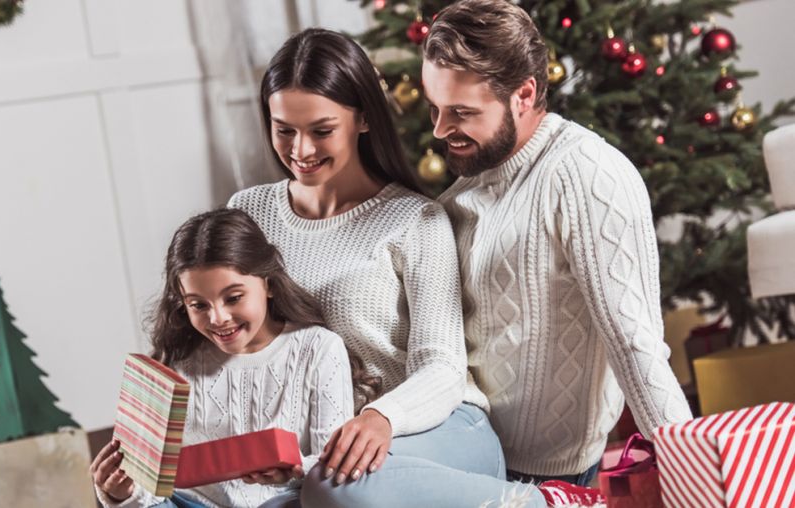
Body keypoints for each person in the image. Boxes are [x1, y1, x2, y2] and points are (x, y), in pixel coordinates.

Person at [229, 28, 560, 507]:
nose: (300, 150)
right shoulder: (247, 214)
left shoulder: (415, 221)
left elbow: (442, 367)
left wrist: (382, 416)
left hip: (438, 426)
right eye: (285, 129)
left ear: (362, 119)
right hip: (325, 451)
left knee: (334, 486)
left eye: (321, 130)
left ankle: (548, 504)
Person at [423, 0, 693, 491]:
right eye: (434, 109)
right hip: (467, 454)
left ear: (524, 94)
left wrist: (691, 468)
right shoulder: (459, 195)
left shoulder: (588, 175)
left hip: (550, 475)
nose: (440, 131)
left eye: (461, 112)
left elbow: (636, 344)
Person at [90, 208, 358, 508]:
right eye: (198, 305)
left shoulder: (318, 348)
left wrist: (292, 472)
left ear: (268, 283)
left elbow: (333, 469)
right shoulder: (179, 361)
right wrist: (122, 492)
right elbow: (157, 491)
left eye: (233, 298)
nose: (217, 318)